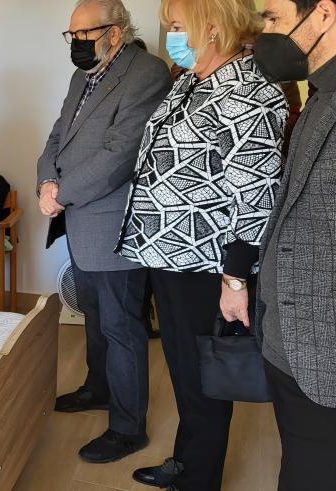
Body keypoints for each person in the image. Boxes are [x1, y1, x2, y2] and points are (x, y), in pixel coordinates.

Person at [115, 0, 287, 488]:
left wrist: (235, 280)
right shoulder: (192, 80)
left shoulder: (249, 91)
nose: (171, 36)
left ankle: (199, 478)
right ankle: (188, 462)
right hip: (169, 255)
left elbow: (257, 195)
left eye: (176, 26)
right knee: (186, 373)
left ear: (211, 28)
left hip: (206, 264)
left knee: (204, 378)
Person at [37, 0, 171, 463]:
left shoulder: (146, 73)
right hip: (79, 221)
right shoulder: (84, 75)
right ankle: (98, 388)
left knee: (121, 327)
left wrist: (62, 193)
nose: (76, 43)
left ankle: (128, 428)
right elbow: (58, 135)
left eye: (84, 34)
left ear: (115, 33)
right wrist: (45, 181)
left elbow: (120, 154)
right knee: (94, 315)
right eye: (71, 35)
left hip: (115, 225)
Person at [256, 0, 336, 488]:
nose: (264, 33)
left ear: (323, 13)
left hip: (323, 348)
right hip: (290, 335)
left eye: (273, 18)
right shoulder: (320, 94)